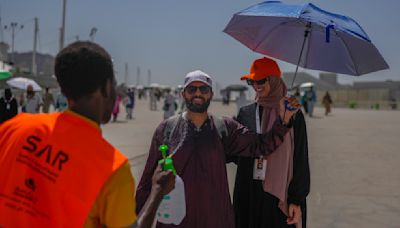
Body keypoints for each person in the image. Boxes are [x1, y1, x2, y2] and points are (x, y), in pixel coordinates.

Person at [0, 41, 175, 228]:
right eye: (114, 85)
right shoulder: (112, 168)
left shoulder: (14, 129)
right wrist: (157, 192)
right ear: (106, 88)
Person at [136, 70, 300, 228]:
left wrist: (284, 122)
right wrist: (136, 218)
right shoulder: (167, 129)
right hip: (175, 220)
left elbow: (260, 145)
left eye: (204, 89)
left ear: (211, 94)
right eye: (192, 89)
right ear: (183, 94)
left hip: (215, 219)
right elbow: (147, 180)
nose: (198, 93)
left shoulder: (224, 128)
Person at [230, 57, 310, 228]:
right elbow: (238, 154)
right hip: (249, 191)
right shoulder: (246, 113)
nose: (256, 85)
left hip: (280, 195)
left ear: (274, 81)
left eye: (261, 80)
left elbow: (300, 157)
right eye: (252, 81)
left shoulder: (292, 113)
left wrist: (296, 199)